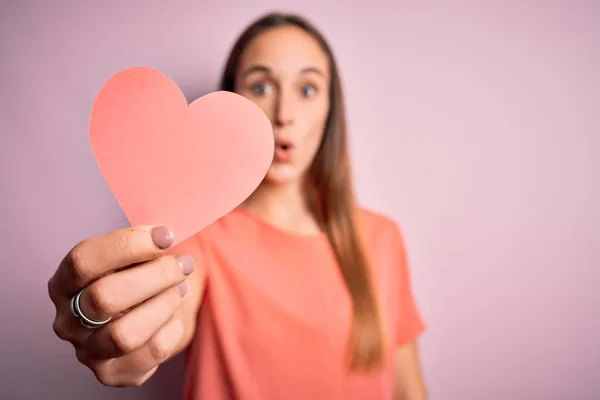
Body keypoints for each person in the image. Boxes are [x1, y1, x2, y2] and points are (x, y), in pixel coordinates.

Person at [48, 12, 428, 400]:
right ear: (234, 101)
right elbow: (166, 324)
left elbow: (409, 389)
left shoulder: (382, 238)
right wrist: (121, 337)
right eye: (261, 86)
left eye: (308, 89)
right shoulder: (198, 235)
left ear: (331, 109)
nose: (284, 115)